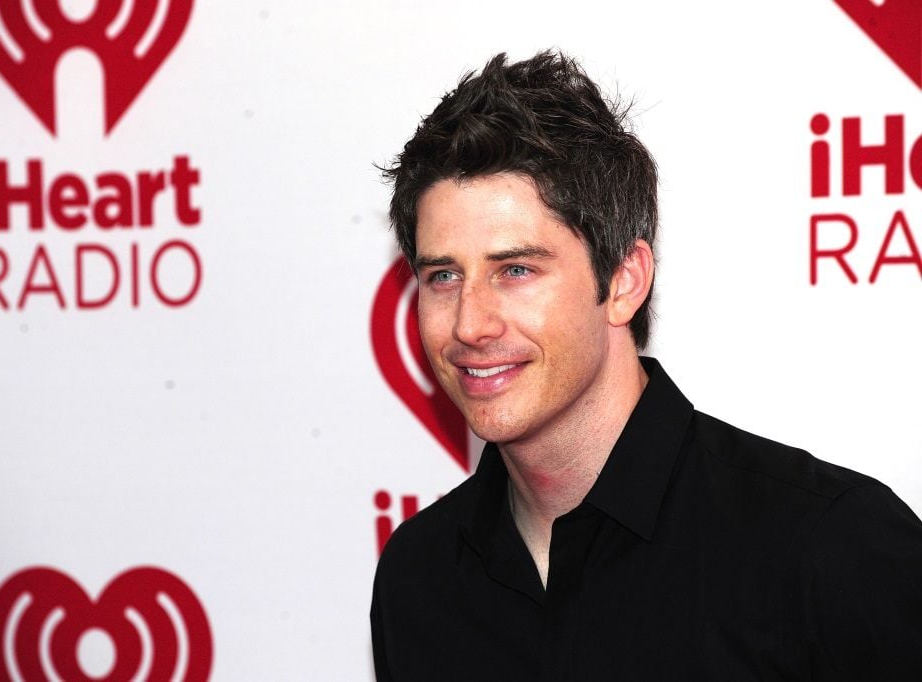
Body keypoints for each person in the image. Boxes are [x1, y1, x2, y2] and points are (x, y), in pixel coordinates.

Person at [370, 50, 922, 681]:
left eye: (515, 270)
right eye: (443, 276)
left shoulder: (828, 547)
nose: (470, 324)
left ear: (624, 281)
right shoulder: (418, 576)